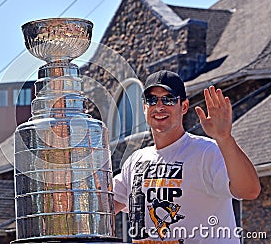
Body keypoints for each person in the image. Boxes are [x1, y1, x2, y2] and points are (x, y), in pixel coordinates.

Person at [112, 70, 261, 244]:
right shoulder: (135, 161)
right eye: (152, 100)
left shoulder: (206, 151)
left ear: (183, 107)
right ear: (144, 107)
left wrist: (225, 138)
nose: (159, 107)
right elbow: (102, 206)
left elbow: (250, 190)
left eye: (168, 99)